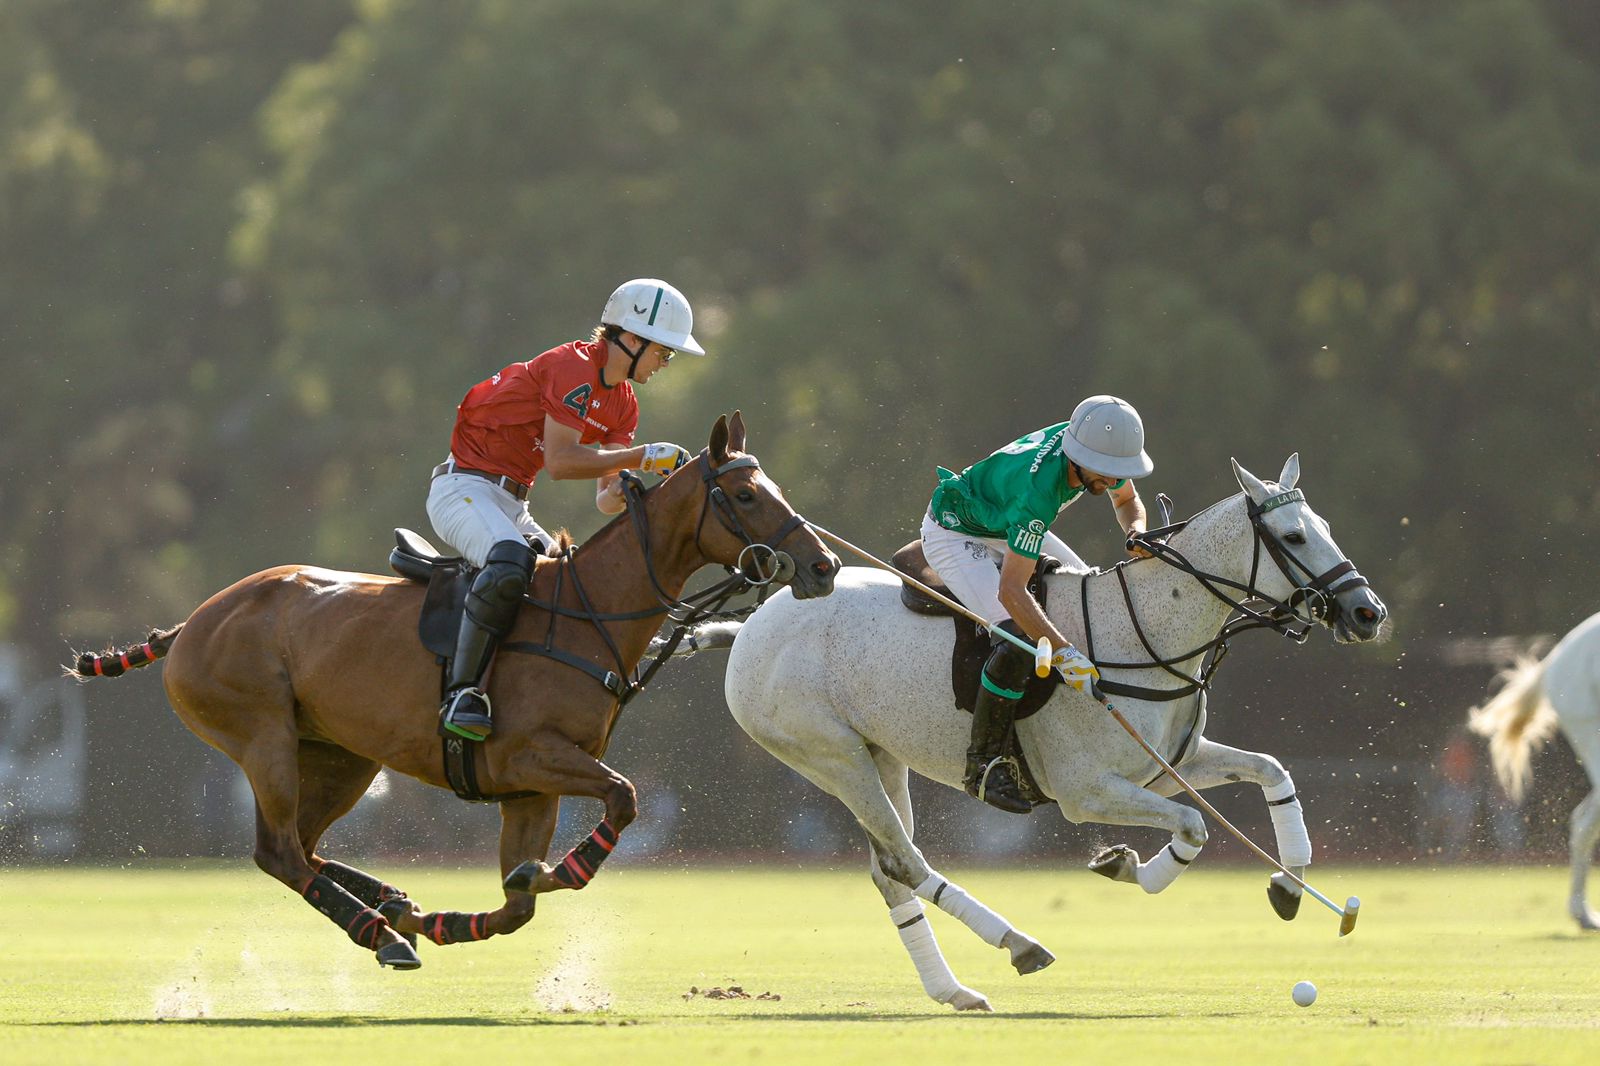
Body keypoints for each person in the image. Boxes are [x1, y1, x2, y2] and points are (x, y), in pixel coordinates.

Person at [426, 278, 705, 740]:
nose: (665, 364)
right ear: (631, 340)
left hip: (511, 503)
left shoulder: (625, 405)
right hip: (462, 489)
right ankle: (463, 693)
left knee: (571, 580)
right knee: (511, 562)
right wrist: (640, 457)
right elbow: (558, 463)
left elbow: (603, 497)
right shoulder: (572, 367)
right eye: (664, 352)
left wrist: (630, 487)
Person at [922, 395, 1154, 813]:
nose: (1112, 481)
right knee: (1019, 639)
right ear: (1079, 458)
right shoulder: (1039, 495)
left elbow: (1127, 502)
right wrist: (1064, 653)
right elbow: (1011, 591)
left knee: (1088, 596)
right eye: (1106, 474)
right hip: (958, 532)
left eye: (1119, 472)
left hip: (1003, 520)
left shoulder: (1097, 452)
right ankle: (984, 765)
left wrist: (1135, 533)